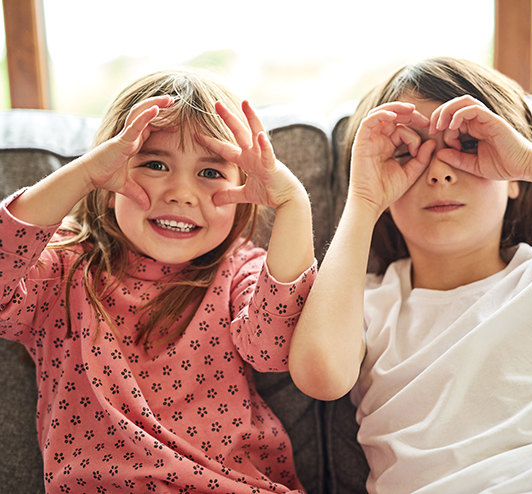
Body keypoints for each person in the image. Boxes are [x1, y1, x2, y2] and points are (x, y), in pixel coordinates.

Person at [289, 57, 532, 493]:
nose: (440, 172)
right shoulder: (366, 304)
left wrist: (531, 161)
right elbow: (320, 375)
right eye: (407, 153)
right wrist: (365, 198)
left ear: (513, 180)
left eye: (466, 146)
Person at [0, 69, 316, 493]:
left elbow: (272, 348)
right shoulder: (62, 269)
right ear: (107, 171)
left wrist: (292, 203)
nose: (181, 193)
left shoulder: (241, 270)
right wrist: (83, 176)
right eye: (154, 164)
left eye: (210, 173)